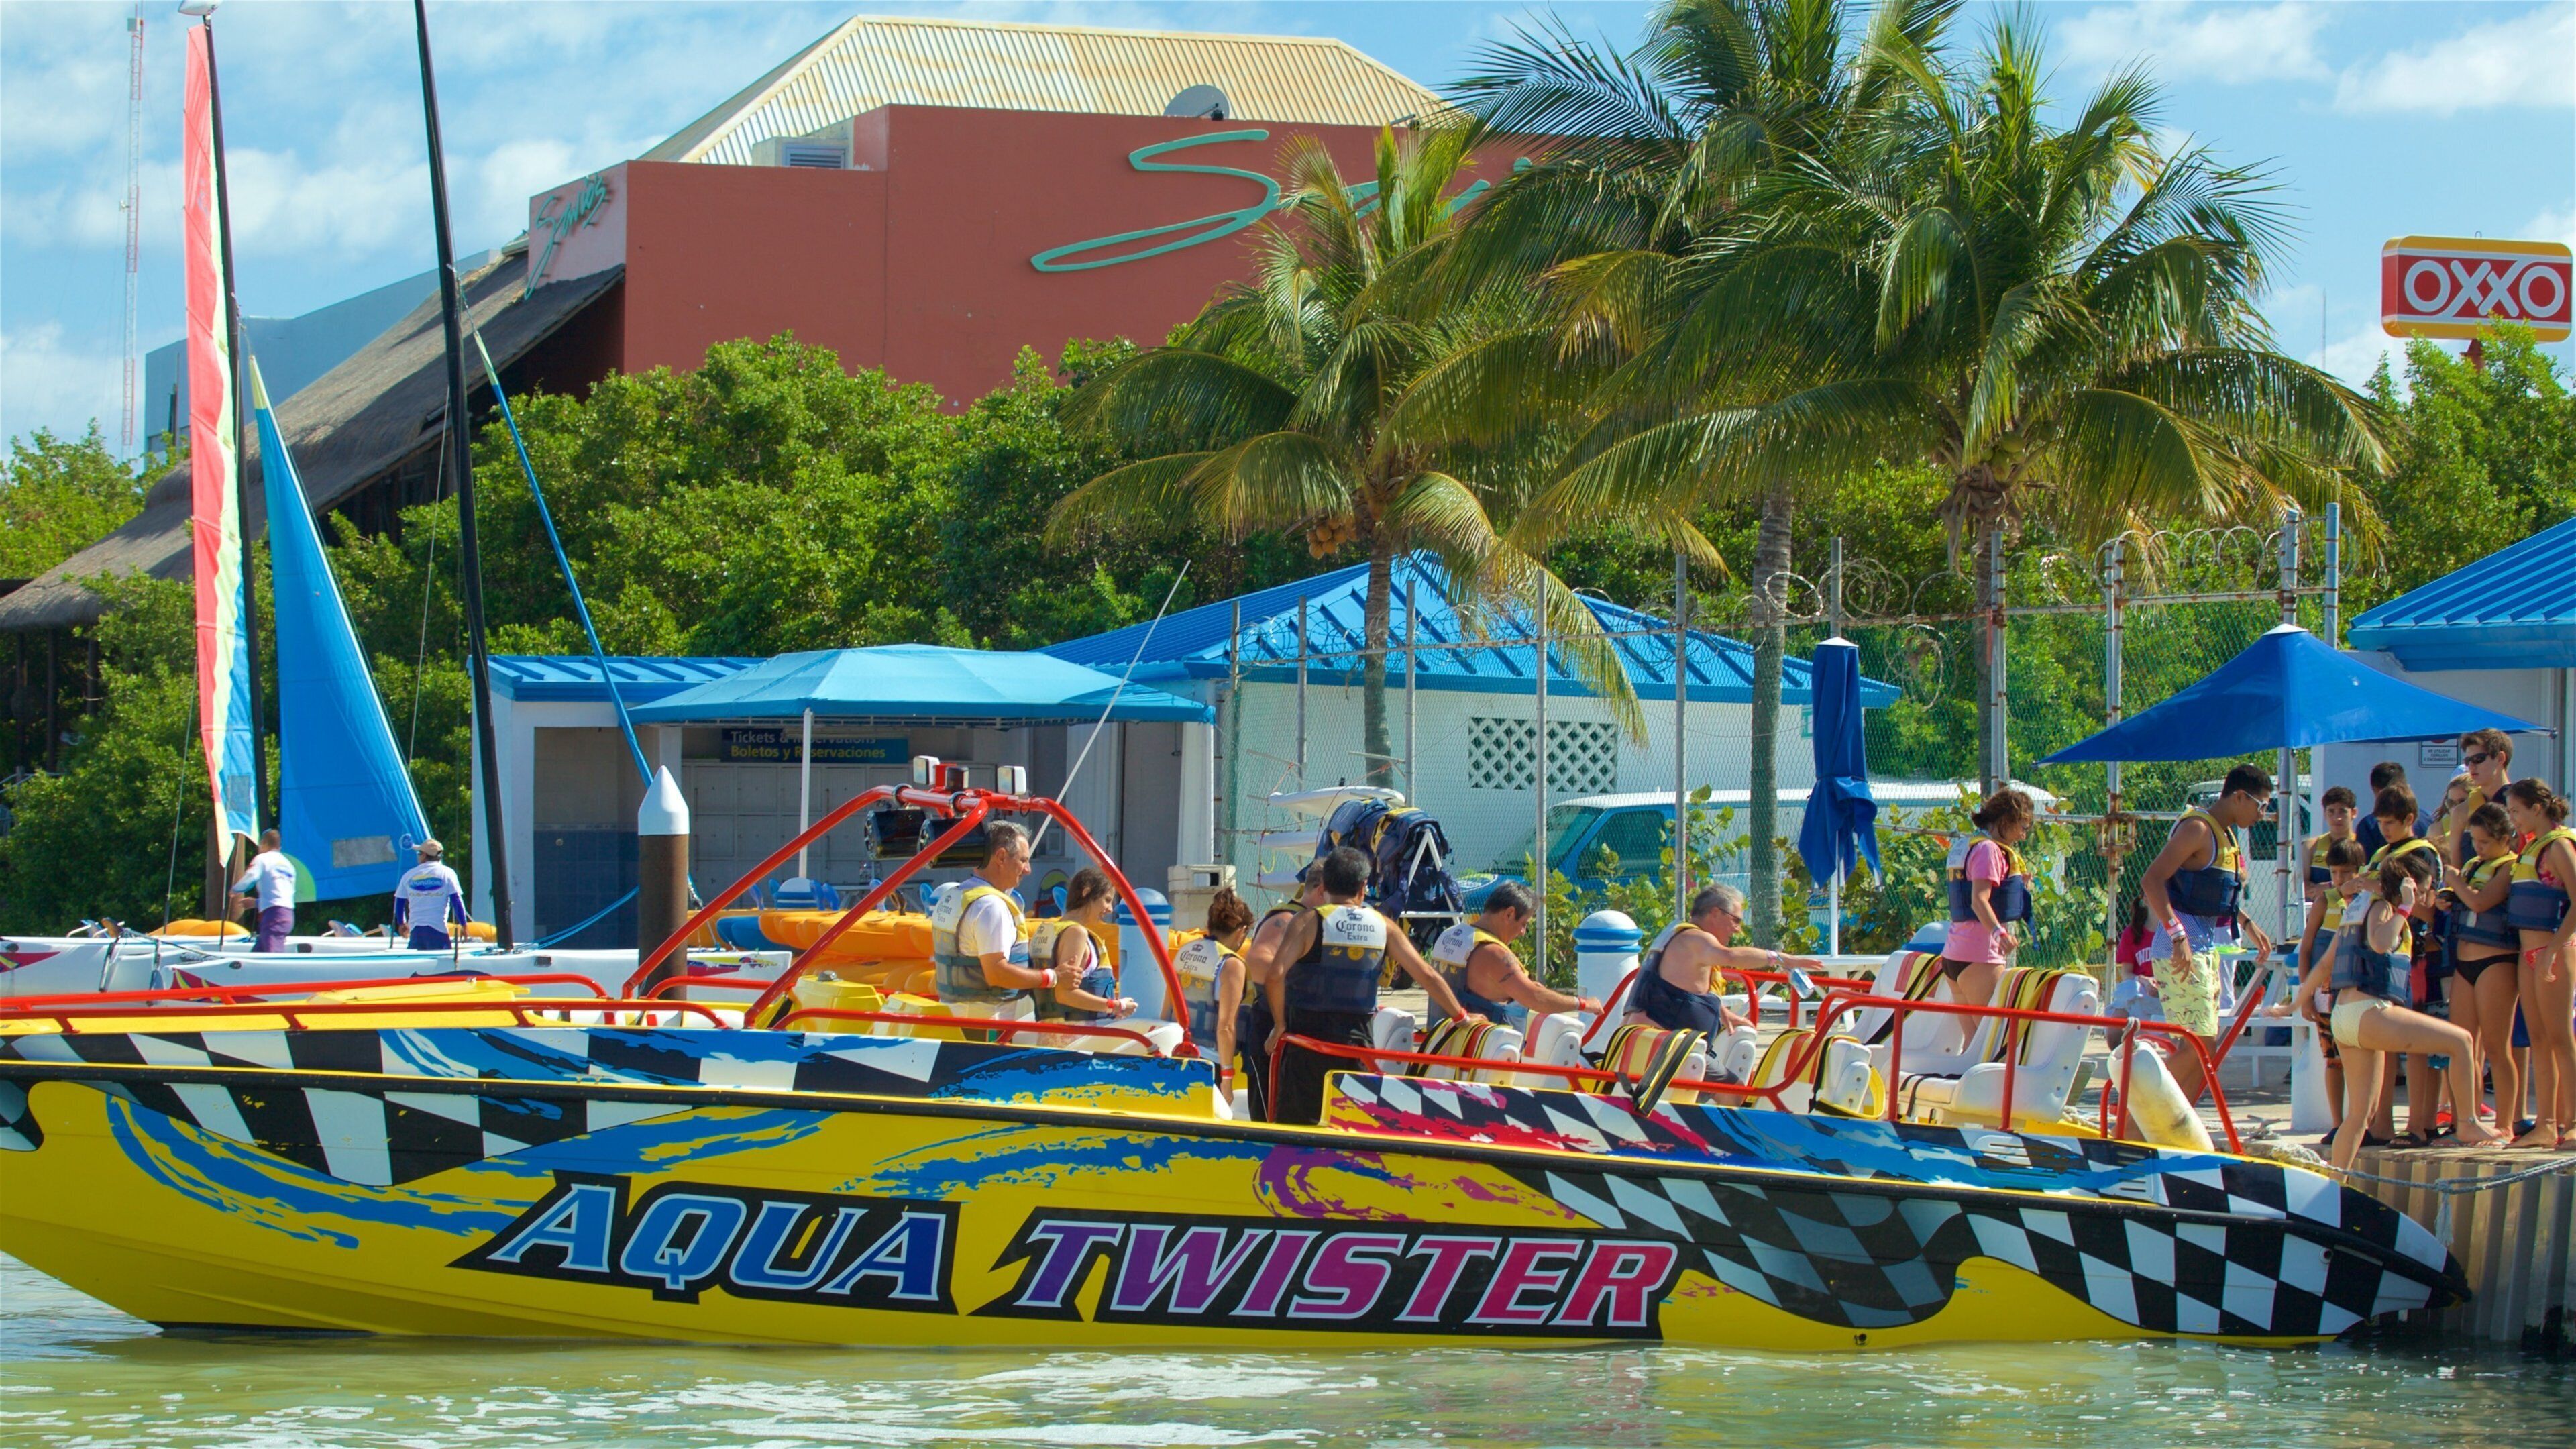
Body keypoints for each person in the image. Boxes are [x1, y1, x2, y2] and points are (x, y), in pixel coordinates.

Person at [2313, 850, 2501, 1171]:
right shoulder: (2385, 907)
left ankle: (2336, 1184)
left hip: (2345, 1017)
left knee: (2360, 1116)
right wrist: (2404, 907)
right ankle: (2467, 1122)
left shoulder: (2362, 904)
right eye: (2425, 889)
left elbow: (2328, 961)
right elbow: (2379, 943)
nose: (2427, 897)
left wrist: (2294, 1001)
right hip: (2367, 1012)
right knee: (2462, 1042)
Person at [1263, 847, 1477, 1126]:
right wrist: (1462, 1017)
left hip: (1307, 1043)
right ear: (1364, 888)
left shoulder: (1307, 922)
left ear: (1323, 886)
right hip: (1357, 1044)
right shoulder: (1383, 926)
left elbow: (1275, 975)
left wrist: (1279, 1026)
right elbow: (1427, 976)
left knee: (1296, 1129)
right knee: (1352, 1126)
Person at [2139, 763, 2274, 1107]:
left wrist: (2246, 922)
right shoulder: (2198, 829)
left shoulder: (2225, 835)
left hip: (2204, 945)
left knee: (2204, 1051)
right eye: (2261, 806)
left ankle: (2171, 1121)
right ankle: (2138, 1100)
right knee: (2198, 1046)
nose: (2264, 815)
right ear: (2239, 797)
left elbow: (2213, 893)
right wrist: (2178, 934)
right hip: (2180, 946)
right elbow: (2152, 880)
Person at [2361, 784, 2446, 1140]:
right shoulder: (2383, 852)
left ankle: (2421, 1123)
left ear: (2410, 819)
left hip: (2419, 955)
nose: (2385, 829)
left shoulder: (2423, 852)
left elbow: (2430, 905)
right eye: (2380, 822)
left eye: (2392, 823)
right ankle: (2382, 1124)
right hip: (2388, 955)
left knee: (2420, 1042)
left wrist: (2382, 892)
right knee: (2388, 1042)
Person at [1627, 883, 1823, 1035]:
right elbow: (1730, 956)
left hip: (1665, 1043)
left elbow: (1687, 987)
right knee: (1737, 1086)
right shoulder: (1695, 939)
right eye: (1735, 920)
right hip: (1664, 1048)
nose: (1738, 929)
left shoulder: (1683, 937)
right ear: (1715, 913)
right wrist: (1780, 958)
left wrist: (1721, 1012)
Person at [2503, 780, 2576, 1148]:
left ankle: (2573, 1121)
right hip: (2526, 952)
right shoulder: (2529, 847)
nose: (2513, 819)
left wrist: (2553, 949)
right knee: (2540, 1039)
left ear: (2537, 808)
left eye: (2516, 811)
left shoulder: (2560, 846)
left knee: (2562, 1038)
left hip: (2554, 951)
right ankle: (2546, 1123)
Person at [1426, 881, 1601, 1030]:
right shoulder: (1494, 953)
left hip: (1441, 1040)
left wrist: (1519, 986)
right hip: (1480, 1054)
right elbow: (1536, 999)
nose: (1523, 932)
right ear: (1509, 914)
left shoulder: (1451, 935)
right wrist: (1583, 1003)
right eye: (1524, 924)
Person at [2445, 803, 2521, 1142]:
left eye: (2485, 842)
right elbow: (2464, 900)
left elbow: (2480, 902)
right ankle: (2468, 1120)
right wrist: (2447, 897)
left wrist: (2456, 884)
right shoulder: (2475, 865)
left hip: (2496, 962)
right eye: (2474, 841)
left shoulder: (2510, 866)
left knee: (2496, 1046)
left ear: (2505, 839)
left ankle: (2507, 1122)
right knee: (2462, 1045)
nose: (2478, 848)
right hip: (2464, 963)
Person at [930, 822, 1061, 1017]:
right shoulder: (991, 907)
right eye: (1023, 860)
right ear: (1001, 857)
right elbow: (997, 973)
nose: (1028, 870)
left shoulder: (955, 896)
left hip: (958, 1014)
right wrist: (1052, 977)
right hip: (989, 1023)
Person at [1237, 867, 1327, 1122]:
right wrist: (1304, 993)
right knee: (1268, 1117)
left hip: (1290, 1031)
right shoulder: (1288, 918)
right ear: (1321, 891)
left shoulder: (1314, 921)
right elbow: (1258, 961)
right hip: (1269, 1028)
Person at [1939, 788, 2035, 1011]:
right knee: (1993, 1040)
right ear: (2008, 819)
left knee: (1975, 1043)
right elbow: (1978, 900)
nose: (2023, 835)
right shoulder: (1989, 850)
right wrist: (2000, 934)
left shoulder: (1970, 844)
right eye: (2023, 827)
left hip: (1954, 954)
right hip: (1981, 956)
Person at [1171, 888, 1257, 1091]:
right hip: (1209, 1063)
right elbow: (1226, 1027)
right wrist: (1227, 1077)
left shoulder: (1185, 952)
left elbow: (1169, 1007)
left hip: (1177, 1054)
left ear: (1209, 926)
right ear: (1241, 932)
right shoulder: (1232, 965)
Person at [1028, 868, 1136, 1028]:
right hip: (1077, 1035)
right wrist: (1116, 1005)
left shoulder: (1048, 931)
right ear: (1087, 892)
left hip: (1050, 1031)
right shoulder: (1076, 933)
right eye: (1106, 900)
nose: (1110, 909)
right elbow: (1065, 994)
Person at [2446, 729, 2516, 865]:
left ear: (2500, 759)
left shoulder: (2523, 805)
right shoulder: (2462, 811)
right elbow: (2455, 867)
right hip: (2473, 884)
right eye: (2468, 761)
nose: (2471, 766)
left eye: (2479, 759)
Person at [391, 839, 471, 951]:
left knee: (417, 967)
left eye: (419, 853)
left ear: (424, 855)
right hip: (438, 930)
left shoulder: (409, 875)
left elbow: (399, 901)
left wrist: (402, 923)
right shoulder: (448, 873)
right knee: (443, 967)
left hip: (416, 931)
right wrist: (464, 925)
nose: (418, 856)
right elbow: (456, 901)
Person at [229, 828, 297, 953]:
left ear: (264, 843)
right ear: (279, 846)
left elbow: (251, 877)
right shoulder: (289, 865)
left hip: (273, 917)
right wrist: (256, 903)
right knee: (258, 953)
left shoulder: (262, 859)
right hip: (288, 915)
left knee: (272, 958)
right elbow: (282, 895)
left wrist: (235, 889)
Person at [2353, 761, 2431, 858]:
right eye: (2380, 822)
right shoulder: (2430, 819)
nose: (2384, 828)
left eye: (2389, 822)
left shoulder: (2369, 825)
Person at [2106, 898, 2160, 1021]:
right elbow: (2126, 973)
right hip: (2143, 994)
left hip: (2169, 996)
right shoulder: (2132, 933)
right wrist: (2144, 981)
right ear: (2145, 899)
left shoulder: (2177, 933)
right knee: (2130, 987)